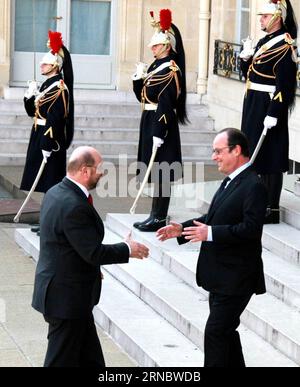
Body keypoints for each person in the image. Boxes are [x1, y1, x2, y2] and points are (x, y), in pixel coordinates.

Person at [157, 128, 268, 367]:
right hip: (221, 276)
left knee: (216, 333)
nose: (214, 157)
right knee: (225, 333)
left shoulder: (253, 185)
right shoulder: (231, 181)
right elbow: (215, 216)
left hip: (237, 277)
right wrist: (183, 230)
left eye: (218, 151)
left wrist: (211, 234)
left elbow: (251, 229)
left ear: (236, 150)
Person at [31, 146, 149, 367]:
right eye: (99, 169)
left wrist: (91, 269)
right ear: (85, 171)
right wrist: (127, 248)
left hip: (72, 298)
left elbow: (66, 245)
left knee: (91, 361)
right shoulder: (73, 205)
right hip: (66, 301)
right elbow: (93, 252)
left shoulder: (56, 192)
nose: (102, 173)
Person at [240, 0, 298, 224]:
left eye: (265, 16)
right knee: (255, 150)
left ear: (277, 18)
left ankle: (271, 208)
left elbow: (284, 86)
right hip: (254, 102)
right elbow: (251, 74)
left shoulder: (285, 46)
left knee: (270, 155)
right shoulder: (265, 41)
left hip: (268, 104)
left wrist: (274, 112)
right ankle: (258, 201)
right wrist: (245, 58)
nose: (261, 20)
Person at [132, 9, 188, 232]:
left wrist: (159, 131)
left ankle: (159, 216)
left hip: (160, 122)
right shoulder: (156, 66)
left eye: (156, 46)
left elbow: (165, 102)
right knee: (154, 169)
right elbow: (143, 97)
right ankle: (154, 214)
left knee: (163, 170)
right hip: (150, 118)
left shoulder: (170, 69)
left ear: (167, 46)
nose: (152, 49)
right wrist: (138, 80)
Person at [20, 31, 74, 231]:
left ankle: (50, 222)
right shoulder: (47, 85)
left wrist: (47, 143)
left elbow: (56, 118)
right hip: (39, 135)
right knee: (44, 182)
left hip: (49, 139)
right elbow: (31, 112)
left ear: (55, 66)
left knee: (51, 182)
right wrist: (29, 95)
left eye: (45, 64)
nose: (41, 66)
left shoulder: (59, 88)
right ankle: (45, 220)